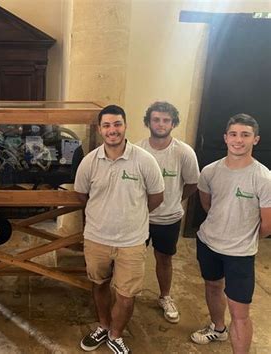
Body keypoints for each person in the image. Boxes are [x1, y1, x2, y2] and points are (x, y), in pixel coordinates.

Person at [75, 105, 165, 353]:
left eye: (117, 124)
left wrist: (132, 214)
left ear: (125, 126)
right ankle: (103, 326)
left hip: (132, 241)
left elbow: (156, 197)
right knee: (99, 284)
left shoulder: (144, 160)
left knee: (127, 295)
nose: (112, 130)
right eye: (107, 125)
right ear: (99, 129)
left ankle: (116, 335)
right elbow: (82, 195)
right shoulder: (89, 162)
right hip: (96, 238)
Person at [190, 114, 271, 353]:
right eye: (234, 134)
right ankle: (217, 328)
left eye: (245, 135)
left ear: (255, 140)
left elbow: (267, 225)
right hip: (208, 243)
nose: (238, 140)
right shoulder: (209, 171)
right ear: (225, 138)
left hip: (240, 254)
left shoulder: (264, 178)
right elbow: (208, 205)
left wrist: (244, 238)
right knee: (213, 286)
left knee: (240, 313)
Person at [137, 101, 199, 323]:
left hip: (169, 219)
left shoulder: (183, 152)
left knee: (164, 259)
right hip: (140, 218)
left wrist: (172, 200)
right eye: (156, 119)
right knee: (132, 259)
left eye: (165, 120)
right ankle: (128, 295)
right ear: (148, 122)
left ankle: (165, 296)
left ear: (173, 123)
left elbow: (192, 184)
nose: (160, 124)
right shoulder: (138, 150)